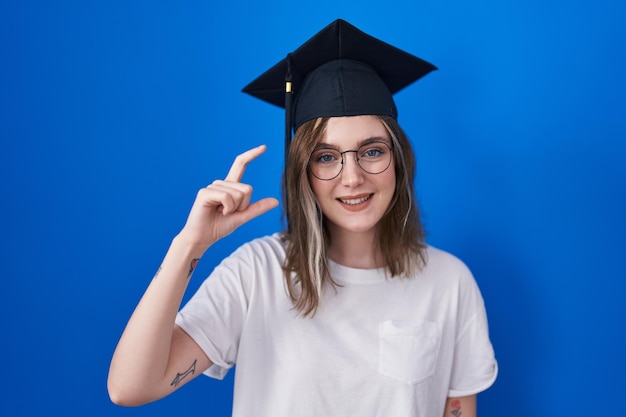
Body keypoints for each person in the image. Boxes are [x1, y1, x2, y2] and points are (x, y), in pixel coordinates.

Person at [108, 19, 497, 417]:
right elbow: (130, 387)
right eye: (326, 157)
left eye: (373, 151)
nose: (352, 177)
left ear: (397, 159)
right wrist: (189, 245)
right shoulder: (255, 273)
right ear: (303, 173)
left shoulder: (449, 282)